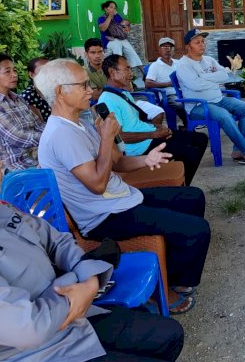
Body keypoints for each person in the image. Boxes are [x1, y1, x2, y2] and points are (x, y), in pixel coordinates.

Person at [0, 119, 185, 362]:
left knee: (168, 334)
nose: (1, 164)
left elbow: (56, 239)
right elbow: (26, 327)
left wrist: (88, 280)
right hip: (19, 358)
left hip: (66, 316)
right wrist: (79, 293)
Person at [36, 59, 211, 314]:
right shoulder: (61, 134)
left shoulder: (81, 122)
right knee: (197, 229)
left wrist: (146, 159)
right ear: (60, 91)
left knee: (192, 198)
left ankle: (172, 267)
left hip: (121, 198)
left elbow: (116, 162)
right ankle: (166, 285)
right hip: (104, 217)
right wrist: (107, 138)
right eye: (83, 85)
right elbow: (97, 184)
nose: (90, 90)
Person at [99, 54, 208, 185]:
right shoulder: (108, 99)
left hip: (149, 136)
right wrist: (153, 134)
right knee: (190, 153)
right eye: (127, 69)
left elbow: (134, 123)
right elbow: (119, 136)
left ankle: (181, 182)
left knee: (200, 139)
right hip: (138, 147)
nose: (131, 74)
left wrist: (156, 127)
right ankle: (182, 186)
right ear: (112, 72)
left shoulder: (122, 93)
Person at [176, 28, 245, 164]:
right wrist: (213, 79)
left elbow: (225, 76)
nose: (202, 44)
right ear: (188, 46)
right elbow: (196, 86)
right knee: (224, 115)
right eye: (197, 42)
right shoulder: (183, 65)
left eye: (203, 41)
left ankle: (238, 150)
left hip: (219, 99)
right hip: (199, 106)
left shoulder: (209, 60)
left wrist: (204, 77)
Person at [0, 53, 45, 172]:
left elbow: (38, 125)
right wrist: (51, 137)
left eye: (14, 70)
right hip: (19, 165)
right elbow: (18, 137)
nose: (14, 75)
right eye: (7, 72)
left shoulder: (18, 99)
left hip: (39, 154)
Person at [97, 1, 145, 88]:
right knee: (117, 45)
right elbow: (103, 29)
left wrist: (119, 34)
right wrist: (110, 17)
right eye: (111, 7)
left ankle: (144, 73)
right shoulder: (101, 18)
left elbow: (122, 28)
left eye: (114, 7)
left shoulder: (118, 17)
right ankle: (119, 70)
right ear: (105, 8)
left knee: (129, 49)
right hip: (108, 41)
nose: (113, 9)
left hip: (118, 38)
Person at [145, 36, 188, 126]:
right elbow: (148, 83)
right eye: (164, 47)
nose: (167, 49)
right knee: (180, 105)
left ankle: (192, 123)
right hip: (168, 95)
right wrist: (168, 84)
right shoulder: (155, 65)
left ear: (173, 49)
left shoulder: (178, 63)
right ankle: (187, 124)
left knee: (199, 99)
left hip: (183, 92)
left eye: (170, 47)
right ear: (159, 50)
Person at [20, 57, 52, 122]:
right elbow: (40, 125)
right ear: (31, 74)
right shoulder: (29, 96)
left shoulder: (55, 91)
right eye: (43, 70)